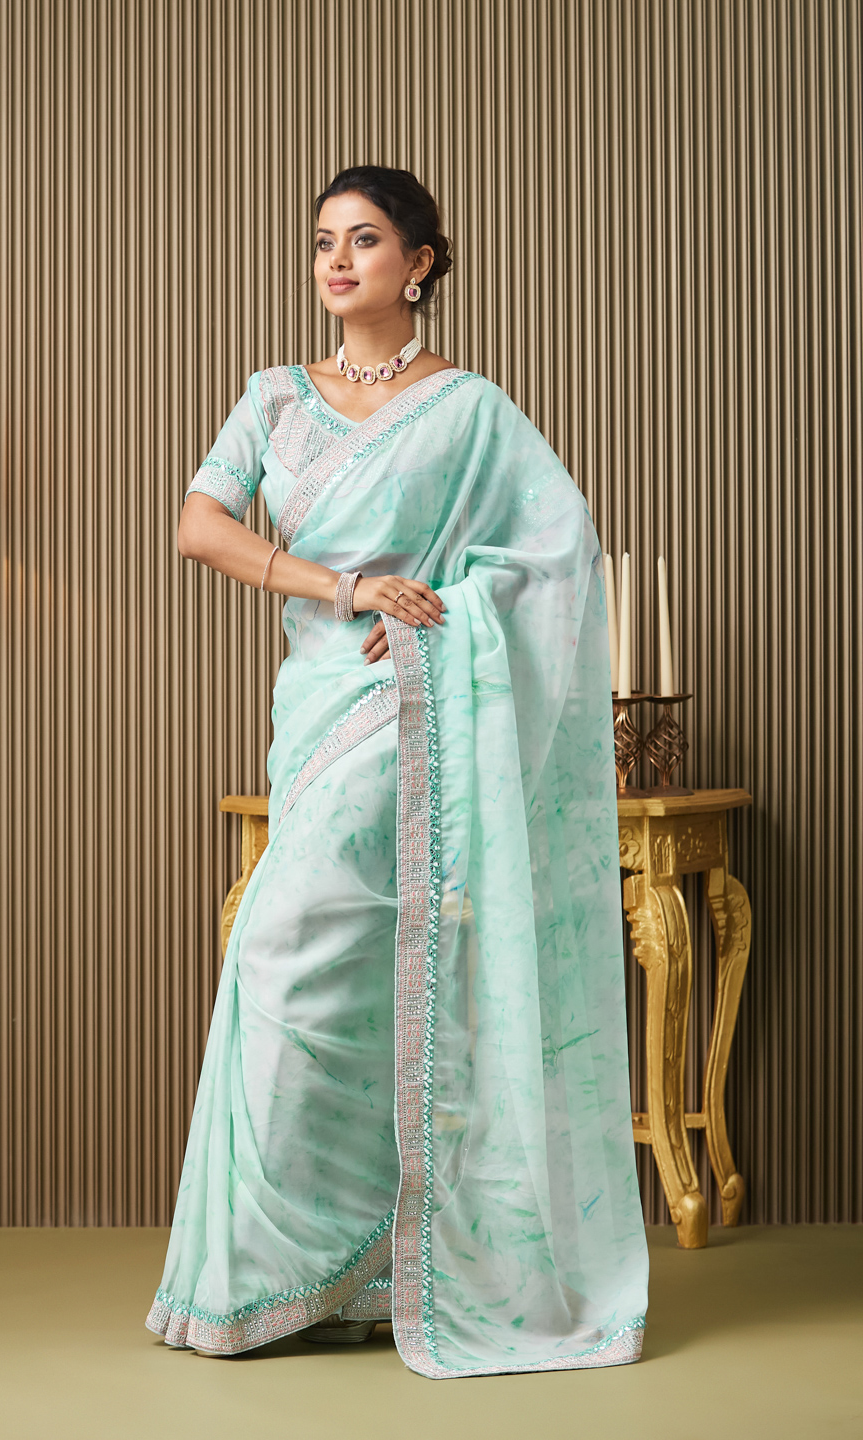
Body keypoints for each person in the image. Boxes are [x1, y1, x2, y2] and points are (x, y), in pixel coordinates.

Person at [147, 165, 649, 1379]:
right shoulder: (273, 398)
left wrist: (449, 614)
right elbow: (200, 527)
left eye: (365, 240)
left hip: (413, 705)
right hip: (317, 707)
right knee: (296, 976)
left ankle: (392, 1266)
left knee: (360, 970)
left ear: (420, 263)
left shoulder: (469, 410)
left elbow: (558, 556)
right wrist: (343, 586)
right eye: (324, 240)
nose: (337, 260)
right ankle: (288, 1274)